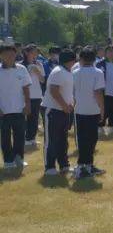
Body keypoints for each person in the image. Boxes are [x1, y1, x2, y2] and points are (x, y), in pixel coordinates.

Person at [72, 47, 106, 179]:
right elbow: (98, 93)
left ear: (81, 59)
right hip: (93, 110)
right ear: (94, 59)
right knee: (92, 139)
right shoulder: (98, 72)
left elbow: (72, 93)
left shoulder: (75, 72)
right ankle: (84, 165)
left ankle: (86, 165)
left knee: (82, 139)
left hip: (79, 110)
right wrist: (102, 109)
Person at [42, 48, 76, 176]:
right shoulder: (58, 71)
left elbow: (66, 91)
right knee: (51, 140)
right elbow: (54, 91)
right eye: (74, 60)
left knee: (63, 139)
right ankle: (49, 167)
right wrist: (64, 105)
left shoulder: (67, 72)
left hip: (64, 111)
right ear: (70, 60)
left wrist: (71, 104)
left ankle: (64, 165)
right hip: (53, 110)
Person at [0, 44, 32, 170]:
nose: (10, 57)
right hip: (3, 111)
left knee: (20, 135)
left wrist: (28, 104)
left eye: (13, 55)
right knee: (5, 137)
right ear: (1, 56)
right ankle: (8, 160)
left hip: (19, 109)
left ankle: (19, 158)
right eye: (7, 55)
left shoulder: (21, 69)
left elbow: (26, 88)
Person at [96, 45, 113, 136]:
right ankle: (100, 127)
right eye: (109, 52)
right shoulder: (100, 64)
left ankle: (112, 127)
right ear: (105, 53)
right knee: (103, 110)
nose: (111, 54)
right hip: (104, 93)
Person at [21, 44, 45, 148]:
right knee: (26, 117)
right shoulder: (21, 65)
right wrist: (29, 71)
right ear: (26, 52)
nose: (35, 54)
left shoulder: (39, 63)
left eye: (36, 52)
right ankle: (26, 138)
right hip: (25, 96)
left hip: (37, 95)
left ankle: (32, 138)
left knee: (35, 118)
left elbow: (43, 80)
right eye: (33, 51)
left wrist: (37, 71)